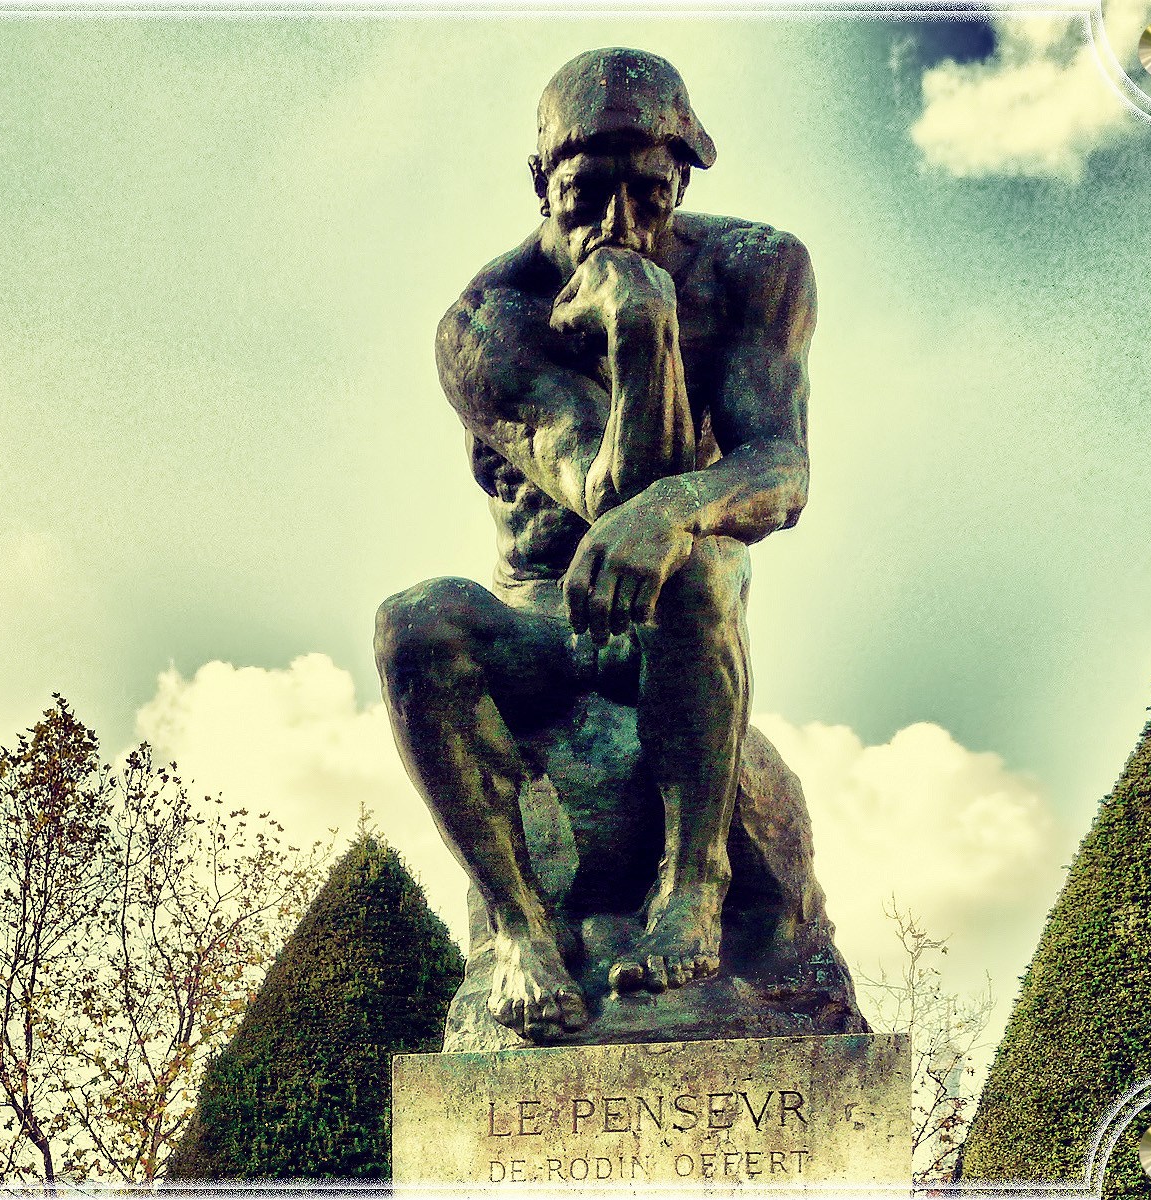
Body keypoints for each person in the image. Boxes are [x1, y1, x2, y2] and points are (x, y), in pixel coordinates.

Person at [375, 46, 815, 1043]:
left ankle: (692, 883)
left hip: (674, 623)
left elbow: (782, 473)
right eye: (583, 199)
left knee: (697, 560)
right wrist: (644, 331)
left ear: (685, 180)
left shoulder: (761, 269)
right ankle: (522, 932)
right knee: (412, 627)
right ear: (540, 185)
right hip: (542, 624)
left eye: (650, 195)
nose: (618, 229)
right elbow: (610, 494)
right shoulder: (485, 323)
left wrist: (682, 508)